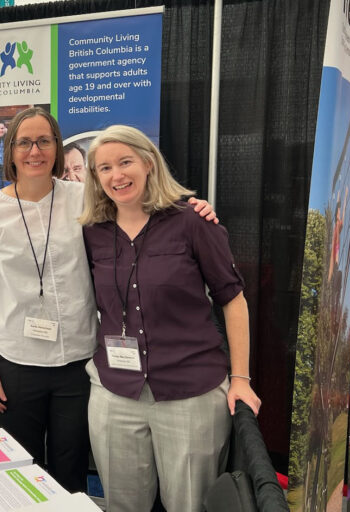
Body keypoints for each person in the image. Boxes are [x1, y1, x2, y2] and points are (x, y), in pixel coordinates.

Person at [0, 107, 218, 494]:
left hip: (79, 364)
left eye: (44, 141)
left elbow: (144, 210)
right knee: (22, 470)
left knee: (71, 469)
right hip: (16, 362)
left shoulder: (86, 200)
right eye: (24, 142)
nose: (35, 151)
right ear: (10, 151)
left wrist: (194, 208)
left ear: (57, 149)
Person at [79, 125, 261, 512]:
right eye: (105, 168)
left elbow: (233, 300)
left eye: (125, 162)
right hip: (115, 393)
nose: (117, 175)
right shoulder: (91, 231)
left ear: (148, 162)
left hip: (190, 395)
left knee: (190, 506)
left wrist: (241, 379)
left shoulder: (192, 221)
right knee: (122, 505)